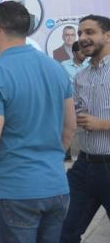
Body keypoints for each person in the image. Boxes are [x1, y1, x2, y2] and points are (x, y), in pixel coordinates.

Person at [0, 1, 76, 242]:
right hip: (56, 185)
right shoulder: (56, 68)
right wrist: (49, 156)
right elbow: (70, 127)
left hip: (15, 191)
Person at [60, 15, 110, 242]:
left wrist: (102, 124)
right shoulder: (81, 76)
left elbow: (97, 122)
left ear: (108, 36)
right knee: (63, 232)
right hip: (84, 167)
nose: (82, 38)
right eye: (80, 33)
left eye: (90, 32)